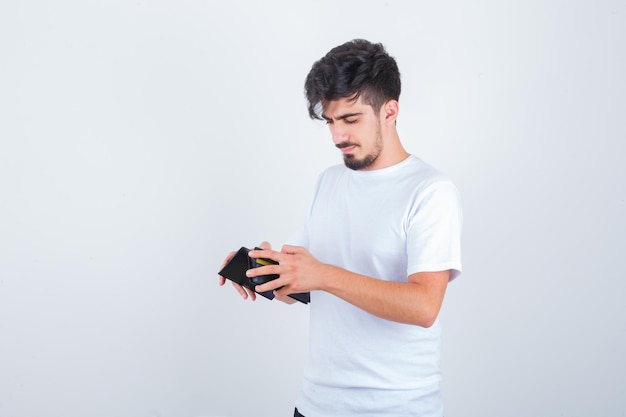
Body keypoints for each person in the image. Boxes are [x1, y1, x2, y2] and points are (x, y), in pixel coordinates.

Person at [218, 39, 462, 417]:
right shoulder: (328, 182)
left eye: (350, 119)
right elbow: (306, 288)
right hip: (316, 405)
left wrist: (324, 275)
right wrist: (266, 272)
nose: (338, 137)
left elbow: (424, 306)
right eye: (331, 121)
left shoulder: (430, 190)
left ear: (390, 111)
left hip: (395, 408)